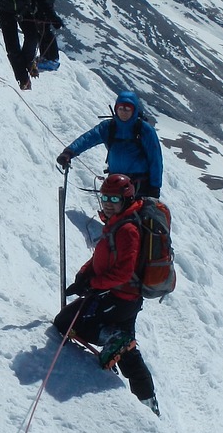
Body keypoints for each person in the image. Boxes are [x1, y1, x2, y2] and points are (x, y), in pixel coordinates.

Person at [53, 173, 159, 414]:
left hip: (121, 297)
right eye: (105, 197)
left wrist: (94, 284)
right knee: (128, 350)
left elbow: (123, 272)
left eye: (114, 198)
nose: (108, 202)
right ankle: (147, 400)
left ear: (126, 198)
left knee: (65, 322)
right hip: (121, 297)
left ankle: (112, 337)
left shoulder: (128, 229)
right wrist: (84, 276)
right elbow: (102, 256)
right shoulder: (118, 222)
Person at [56, 89, 163, 197]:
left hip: (140, 184)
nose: (123, 112)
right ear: (116, 108)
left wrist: (154, 187)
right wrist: (69, 152)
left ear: (134, 110)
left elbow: (155, 159)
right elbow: (87, 139)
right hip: (115, 181)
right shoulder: (108, 127)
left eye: (127, 109)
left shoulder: (144, 130)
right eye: (121, 108)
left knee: (136, 213)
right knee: (113, 212)